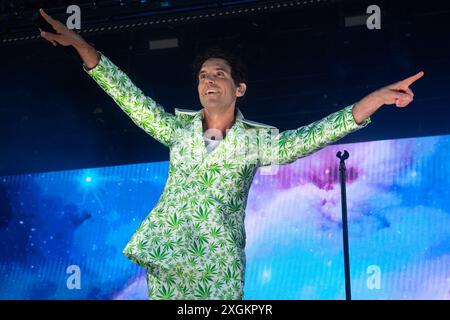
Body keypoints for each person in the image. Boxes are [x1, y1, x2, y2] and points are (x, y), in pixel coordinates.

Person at [38, 8, 424, 300]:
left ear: (239, 88)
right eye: (203, 75)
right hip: (169, 258)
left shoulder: (255, 142)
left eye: (218, 74)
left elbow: (313, 136)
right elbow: (128, 97)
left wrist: (374, 100)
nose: (209, 79)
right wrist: (83, 47)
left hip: (218, 268)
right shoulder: (177, 130)